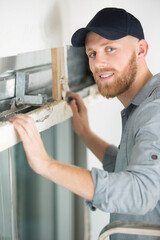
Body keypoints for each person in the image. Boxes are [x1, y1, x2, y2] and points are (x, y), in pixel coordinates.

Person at [10, 7, 160, 240]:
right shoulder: (142, 107)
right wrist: (85, 133)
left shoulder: (155, 110)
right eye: (92, 54)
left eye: (110, 49)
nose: (98, 64)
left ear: (141, 50)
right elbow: (128, 166)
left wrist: (45, 164)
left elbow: (140, 192)